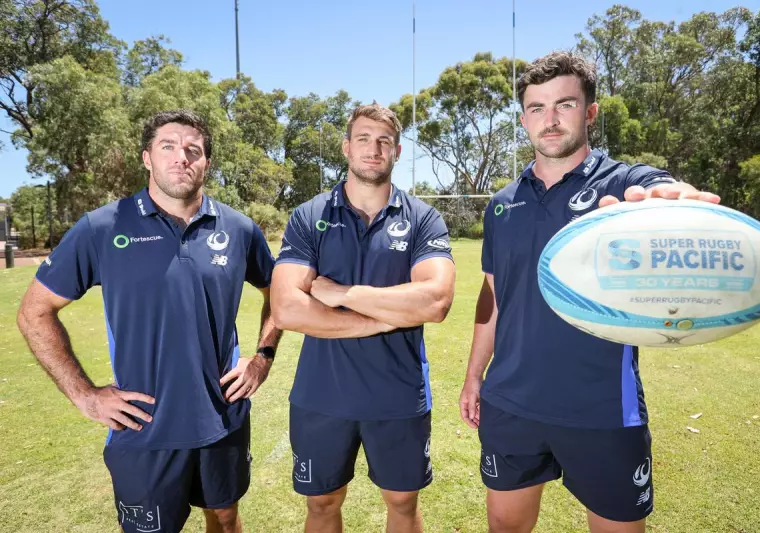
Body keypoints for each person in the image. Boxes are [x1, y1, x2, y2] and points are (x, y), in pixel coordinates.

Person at [458, 51, 720, 533]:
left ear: (590, 112)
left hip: (602, 410)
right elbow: (493, 295)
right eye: (537, 108)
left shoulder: (620, 186)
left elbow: (659, 188)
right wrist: (475, 376)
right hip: (510, 403)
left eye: (565, 104)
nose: (550, 120)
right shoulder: (501, 205)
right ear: (523, 119)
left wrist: (673, 198)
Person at [17, 109, 282, 533]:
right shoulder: (101, 228)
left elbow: (278, 293)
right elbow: (34, 311)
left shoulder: (239, 229)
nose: (182, 157)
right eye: (168, 146)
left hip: (223, 417)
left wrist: (262, 356)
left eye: (193, 150)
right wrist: (85, 396)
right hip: (143, 427)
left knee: (227, 518)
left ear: (206, 163)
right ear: (147, 158)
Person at [271, 103, 456, 533]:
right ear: (346, 148)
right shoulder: (308, 216)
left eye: (384, 141)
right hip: (321, 396)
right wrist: (384, 317)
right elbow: (286, 308)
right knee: (321, 504)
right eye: (363, 139)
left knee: (402, 504)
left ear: (397, 151)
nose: (373, 149)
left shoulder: (423, 219)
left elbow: (435, 302)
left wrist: (342, 295)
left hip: (398, 395)